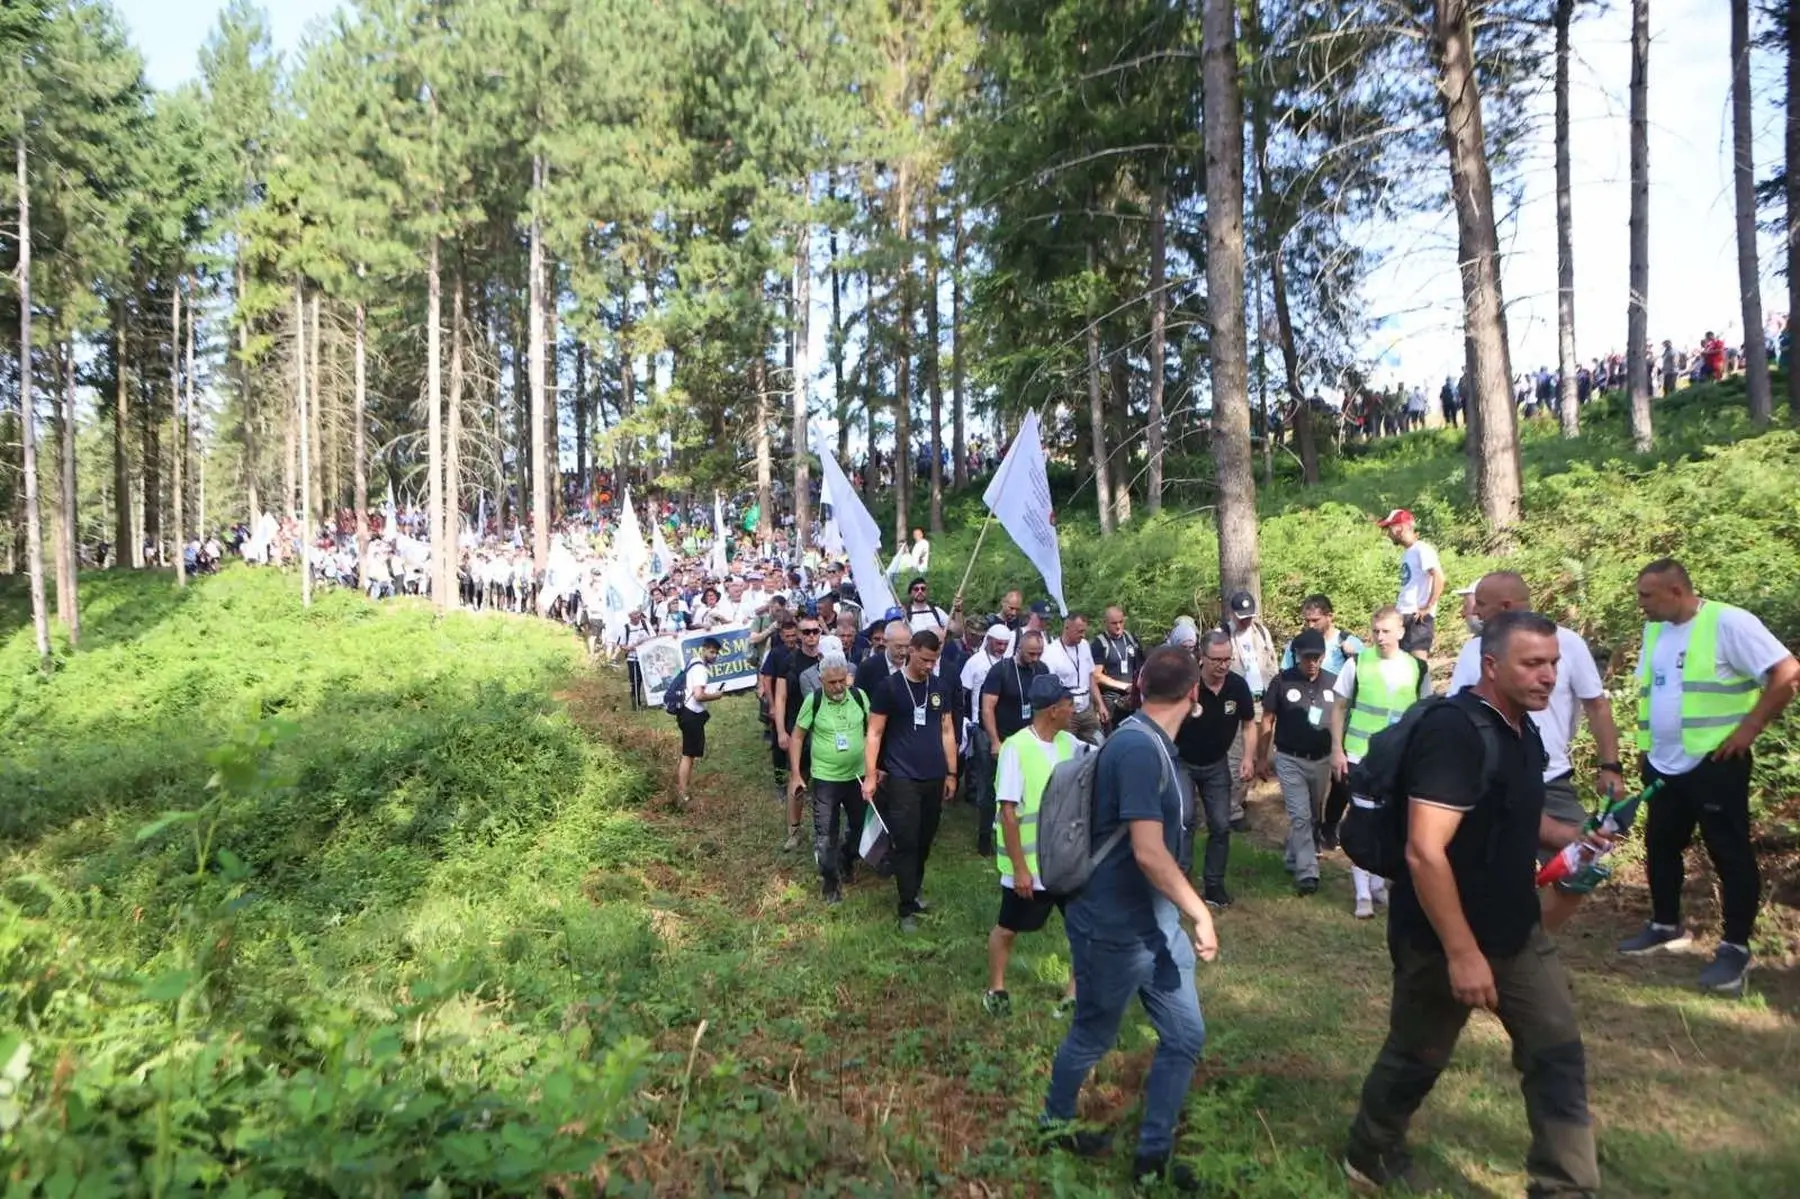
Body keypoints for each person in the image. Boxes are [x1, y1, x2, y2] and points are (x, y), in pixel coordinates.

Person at [1343, 611, 1600, 1198]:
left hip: (1517, 931)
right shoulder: (1455, 733)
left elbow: (1506, 808)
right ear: (1491, 665)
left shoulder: (1524, 728)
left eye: (1554, 664)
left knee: (1556, 1052)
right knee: (1418, 1054)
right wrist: (1462, 954)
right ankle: (1369, 1149)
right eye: (1533, 664)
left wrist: (1566, 838)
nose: (1548, 677)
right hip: (1439, 937)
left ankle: (1564, 1188)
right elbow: (1424, 852)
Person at [1040, 646, 1219, 1193]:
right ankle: (1053, 1127)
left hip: (1155, 925)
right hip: (1114, 927)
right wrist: (1200, 912)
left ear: (1139, 687)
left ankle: (1152, 1155)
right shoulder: (1138, 750)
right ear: (1193, 695)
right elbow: (1147, 851)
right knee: (1093, 1034)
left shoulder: (1150, 742)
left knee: (1185, 1034)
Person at [1618, 559, 1798, 992]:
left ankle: (1735, 949)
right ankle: (1665, 926)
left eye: (1647, 595)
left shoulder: (1729, 622)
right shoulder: (1655, 629)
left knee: (1728, 851)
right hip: (1663, 761)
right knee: (1660, 842)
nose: (1640, 604)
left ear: (1676, 591)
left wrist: (1750, 727)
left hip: (1715, 762)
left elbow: (1787, 672)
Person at [1447, 572, 1624, 931]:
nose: (1475, 611)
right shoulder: (1474, 650)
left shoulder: (1568, 644)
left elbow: (1597, 706)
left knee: (1583, 861)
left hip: (1550, 778)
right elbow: (1458, 711)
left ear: (1506, 606)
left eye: (1481, 603)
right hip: (1489, 779)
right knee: (1481, 866)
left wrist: (1611, 765)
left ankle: (1533, 940)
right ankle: (1484, 941)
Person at [985, 674, 1089, 1016]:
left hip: (1066, 862)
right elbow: (1009, 814)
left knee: (1082, 929)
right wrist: (1020, 869)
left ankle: (1073, 995)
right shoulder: (1016, 748)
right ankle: (996, 989)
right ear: (1053, 710)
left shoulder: (1069, 744)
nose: (1074, 709)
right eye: (1069, 704)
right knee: (1008, 929)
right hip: (1031, 868)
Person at [1330, 607, 1433, 918]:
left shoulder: (1417, 668)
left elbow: (1425, 711)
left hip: (1401, 757)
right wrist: (1337, 749)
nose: (1380, 637)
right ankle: (1362, 892)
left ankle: (1378, 884)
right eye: (1376, 631)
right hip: (1361, 754)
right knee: (1364, 819)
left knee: (1391, 821)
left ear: (1401, 632)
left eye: (1386, 631)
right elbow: (1338, 708)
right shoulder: (1358, 663)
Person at [862, 630, 958, 933]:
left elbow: (947, 730)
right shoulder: (889, 688)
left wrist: (952, 772)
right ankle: (905, 908)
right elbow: (874, 732)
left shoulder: (938, 686)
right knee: (906, 841)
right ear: (911, 651)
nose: (929, 666)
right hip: (902, 776)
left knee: (925, 839)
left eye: (934, 661)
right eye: (925, 659)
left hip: (934, 775)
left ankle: (914, 890)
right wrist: (870, 774)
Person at [1175, 631, 1259, 909]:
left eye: (1227, 660)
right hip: (1183, 762)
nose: (1223, 665)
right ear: (1202, 658)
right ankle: (1181, 883)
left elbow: (1249, 724)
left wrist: (1248, 758)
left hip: (1216, 764)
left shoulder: (1237, 686)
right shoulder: (1187, 684)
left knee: (1221, 825)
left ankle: (1214, 886)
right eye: (1216, 660)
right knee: (1184, 820)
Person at [1261, 629, 1337, 896]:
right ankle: (1308, 872)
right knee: (1301, 815)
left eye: (1317, 657)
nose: (1312, 662)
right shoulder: (1282, 681)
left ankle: (1294, 857)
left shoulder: (1334, 683)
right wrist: (1262, 756)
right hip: (1290, 758)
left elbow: (1342, 720)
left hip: (1323, 759)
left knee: (1313, 814)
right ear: (1296, 656)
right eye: (1307, 657)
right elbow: (1267, 719)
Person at [790, 654, 869, 906]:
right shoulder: (813, 702)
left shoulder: (859, 696)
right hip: (826, 779)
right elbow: (797, 737)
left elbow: (874, 731)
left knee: (859, 828)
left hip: (858, 776)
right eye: (831, 682)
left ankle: (847, 859)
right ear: (821, 680)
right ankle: (830, 883)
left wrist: (876, 769)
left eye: (841, 681)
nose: (837, 687)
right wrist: (795, 775)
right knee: (826, 836)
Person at [1222, 590, 1279, 830]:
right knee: (1237, 756)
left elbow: (1272, 664)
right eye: (1242, 616)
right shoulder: (1222, 636)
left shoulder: (1262, 633)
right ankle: (1231, 811)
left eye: (1250, 615)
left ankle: (1241, 797)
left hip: (1261, 703)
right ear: (1232, 614)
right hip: (1235, 707)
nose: (1246, 620)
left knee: (1257, 756)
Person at [775, 614, 826, 852]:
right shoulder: (789, 662)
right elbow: (781, 697)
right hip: (797, 730)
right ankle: (793, 831)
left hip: (824, 730)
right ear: (798, 635)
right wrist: (781, 732)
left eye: (815, 631)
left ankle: (823, 831)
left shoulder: (828, 658)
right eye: (806, 632)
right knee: (797, 779)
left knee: (824, 784)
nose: (811, 636)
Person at [963, 623, 1016, 856]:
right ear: (989, 640)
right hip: (981, 727)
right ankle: (984, 835)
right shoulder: (975, 662)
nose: (1002, 648)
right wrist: (967, 722)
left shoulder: (1010, 664)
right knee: (986, 778)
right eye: (998, 644)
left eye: (1005, 645)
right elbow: (963, 692)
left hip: (1006, 727)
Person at [1376, 508, 1445, 664]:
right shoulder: (1409, 552)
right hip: (1404, 614)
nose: (1388, 533)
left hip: (1417, 616)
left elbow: (1439, 577)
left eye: (1389, 528)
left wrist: (1427, 607)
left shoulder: (1422, 549)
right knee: (1402, 663)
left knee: (1418, 664)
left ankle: (1424, 689)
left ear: (1400, 527)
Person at [1041, 612, 1107, 745]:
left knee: (1099, 742)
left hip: (1087, 709)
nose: (1083, 635)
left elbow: (1090, 676)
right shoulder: (1051, 653)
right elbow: (1049, 689)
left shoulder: (1084, 645)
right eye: (1079, 631)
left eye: (1084, 631)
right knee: (1068, 750)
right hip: (1067, 711)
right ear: (1067, 628)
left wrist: (1100, 705)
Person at [674, 638, 724, 807]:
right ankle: (682, 793)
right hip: (691, 714)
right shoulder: (700, 669)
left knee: (689, 755)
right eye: (711, 652)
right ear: (703, 650)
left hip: (686, 712)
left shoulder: (694, 662)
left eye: (716, 653)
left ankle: (684, 789)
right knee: (688, 756)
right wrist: (716, 696)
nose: (714, 655)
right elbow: (698, 695)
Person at [982, 630, 1049, 754]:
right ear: (1019, 648)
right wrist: (995, 741)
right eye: (1031, 654)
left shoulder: (1042, 669)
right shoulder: (1001, 670)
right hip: (1006, 738)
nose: (1036, 658)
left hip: (1033, 738)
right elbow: (987, 709)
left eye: (1039, 654)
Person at [1090, 605, 1143, 723]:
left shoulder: (1130, 638)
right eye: (1114, 623)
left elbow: (1140, 666)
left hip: (1132, 696)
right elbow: (1096, 676)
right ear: (1105, 623)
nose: (1118, 626)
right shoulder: (1100, 644)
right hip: (1111, 699)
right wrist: (1124, 686)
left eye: (1121, 622)